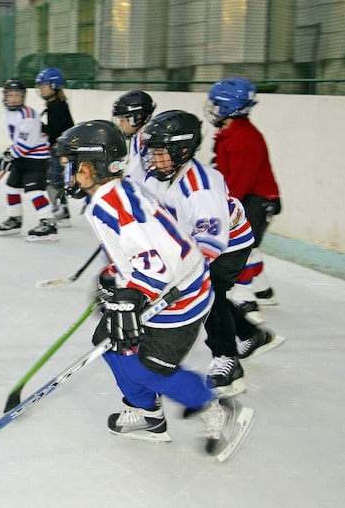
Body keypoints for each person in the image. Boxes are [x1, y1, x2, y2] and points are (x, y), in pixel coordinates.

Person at [54, 119, 248, 455]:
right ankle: (148, 415)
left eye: (69, 164)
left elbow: (158, 261)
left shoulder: (113, 204)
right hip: (158, 288)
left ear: (89, 167)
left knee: (150, 368)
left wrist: (130, 297)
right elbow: (140, 249)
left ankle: (217, 406)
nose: (63, 171)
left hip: (180, 298)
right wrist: (116, 279)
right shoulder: (110, 193)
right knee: (108, 342)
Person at [139, 110, 285, 396]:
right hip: (192, 242)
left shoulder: (202, 187)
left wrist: (184, 276)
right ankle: (250, 333)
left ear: (183, 150)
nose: (153, 159)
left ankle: (226, 359)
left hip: (229, 244)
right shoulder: (157, 177)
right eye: (151, 152)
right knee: (208, 293)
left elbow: (211, 243)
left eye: (160, 152)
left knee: (207, 295)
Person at [205, 77, 282, 311]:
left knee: (242, 247)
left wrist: (226, 206)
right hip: (252, 197)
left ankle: (245, 297)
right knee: (252, 246)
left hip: (257, 199)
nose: (213, 108)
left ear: (229, 107)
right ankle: (264, 290)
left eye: (217, 104)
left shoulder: (243, 137)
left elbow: (241, 180)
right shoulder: (232, 131)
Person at [0, 78, 57, 241]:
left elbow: (26, 144)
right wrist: (10, 151)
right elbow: (17, 141)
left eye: (17, 95)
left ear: (23, 96)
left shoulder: (29, 115)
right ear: (5, 97)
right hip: (21, 157)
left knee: (34, 191)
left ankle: (48, 223)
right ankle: (15, 220)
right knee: (11, 188)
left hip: (35, 158)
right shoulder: (7, 115)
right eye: (11, 95)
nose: (14, 98)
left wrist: (11, 154)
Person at [36, 68, 74, 227]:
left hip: (63, 150)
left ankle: (62, 209)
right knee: (53, 179)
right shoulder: (56, 104)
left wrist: (37, 127)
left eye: (44, 86)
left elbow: (54, 130)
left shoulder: (56, 106)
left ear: (55, 85)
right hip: (61, 149)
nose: (41, 89)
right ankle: (61, 208)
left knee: (55, 180)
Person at [110, 89, 156, 182]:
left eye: (122, 120)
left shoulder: (145, 138)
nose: (120, 124)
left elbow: (133, 177)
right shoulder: (139, 136)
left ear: (137, 118)